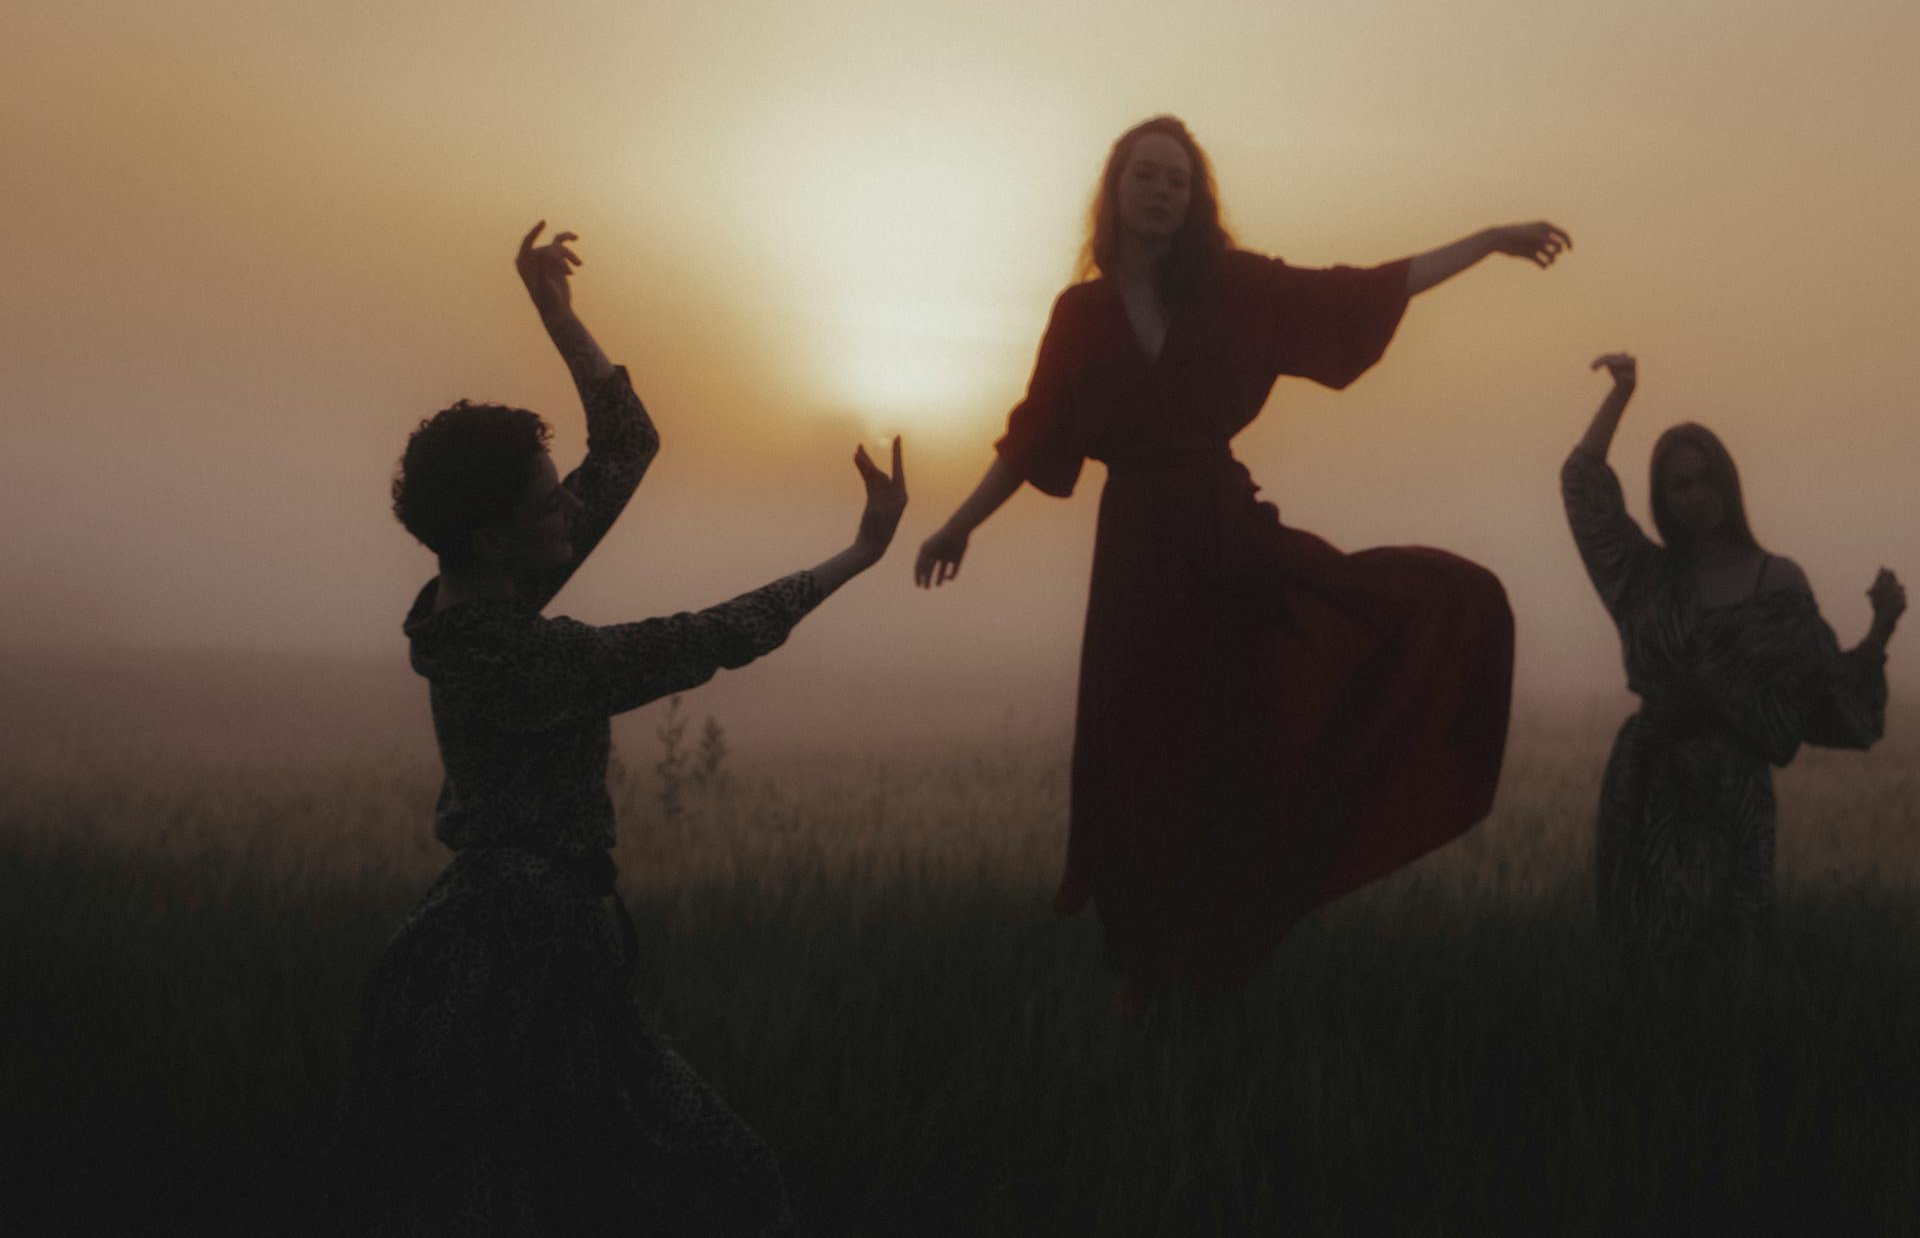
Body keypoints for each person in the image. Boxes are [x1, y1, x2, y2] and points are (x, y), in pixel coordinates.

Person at [914, 114, 1566, 1012]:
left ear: (1195, 200)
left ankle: (1213, 961)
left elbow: (1360, 292)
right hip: (1136, 556)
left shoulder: (1236, 287)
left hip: (1227, 537)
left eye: (1178, 180)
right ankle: (1145, 971)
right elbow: (1034, 435)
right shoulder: (1081, 314)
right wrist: (960, 523)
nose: (1161, 191)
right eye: (1146, 175)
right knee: (1135, 754)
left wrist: (1489, 242)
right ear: (1115, 190)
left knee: (1237, 739)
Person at [334, 221, 907, 1235]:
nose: (570, 512)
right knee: (717, 1187)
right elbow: (707, 637)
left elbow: (628, 444)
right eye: (548, 501)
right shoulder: (516, 658)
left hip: (535, 946)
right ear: (494, 531)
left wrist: (560, 317)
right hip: (516, 968)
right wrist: (858, 554)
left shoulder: (491, 584)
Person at [1563, 351, 1902, 950]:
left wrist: (1880, 631)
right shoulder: (1642, 577)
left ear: (1730, 481)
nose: (1697, 495)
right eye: (1680, 484)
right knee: (1644, 970)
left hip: (1731, 794)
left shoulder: (1777, 583)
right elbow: (1583, 483)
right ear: (1663, 499)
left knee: (1730, 958)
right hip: (1645, 789)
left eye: (1707, 477)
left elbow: (1825, 692)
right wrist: (1621, 393)